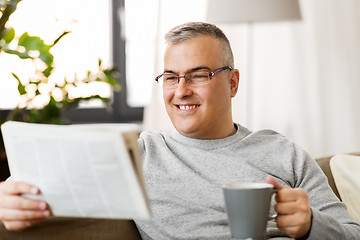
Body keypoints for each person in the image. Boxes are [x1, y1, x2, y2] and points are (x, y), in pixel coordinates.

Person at [0, 22, 359, 239]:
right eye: (171, 77)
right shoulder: (140, 154)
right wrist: (8, 198)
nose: (181, 90)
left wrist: (311, 225)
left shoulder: (285, 153)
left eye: (199, 75)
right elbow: (45, 185)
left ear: (232, 83)